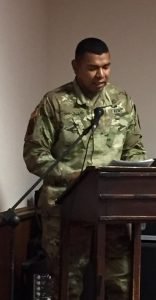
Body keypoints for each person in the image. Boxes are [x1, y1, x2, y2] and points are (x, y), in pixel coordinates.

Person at [23, 37, 146, 300]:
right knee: (67, 285)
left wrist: (134, 170)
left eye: (106, 66)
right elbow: (34, 154)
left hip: (112, 210)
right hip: (66, 209)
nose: (101, 74)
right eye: (92, 68)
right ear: (75, 66)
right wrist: (72, 176)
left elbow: (135, 149)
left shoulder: (121, 101)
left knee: (121, 283)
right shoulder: (55, 103)